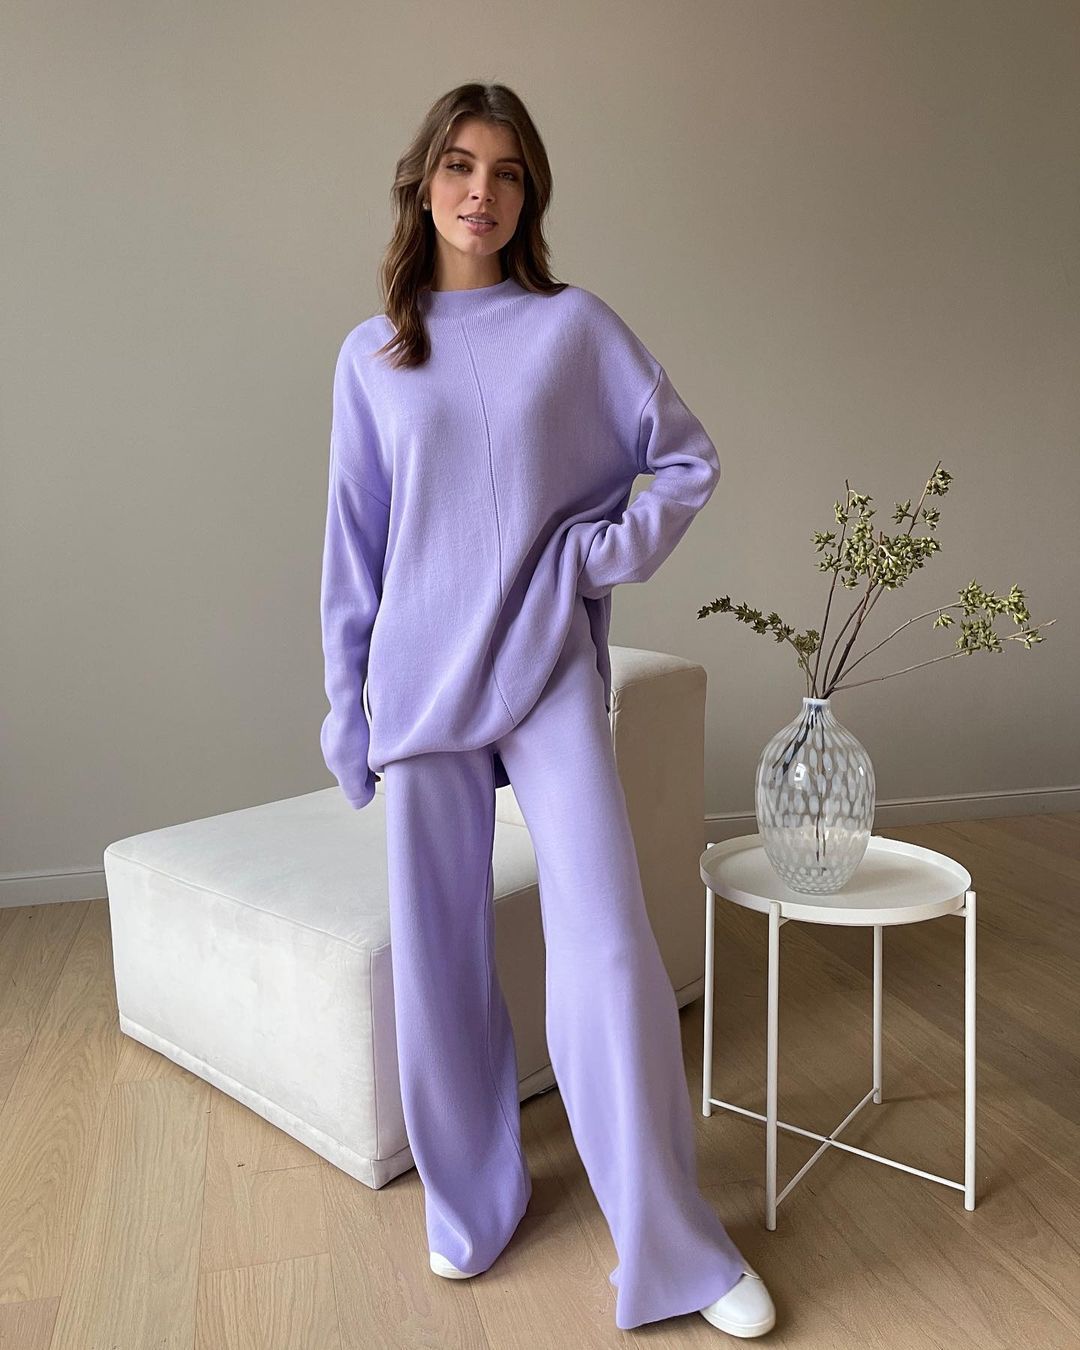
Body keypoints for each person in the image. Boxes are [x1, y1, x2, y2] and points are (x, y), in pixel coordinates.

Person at [319, 81, 776, 1338]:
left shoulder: (571, 328)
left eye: (508, 172)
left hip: (542, 662)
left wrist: (592, 555)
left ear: (530, 196)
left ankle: (674, 1247)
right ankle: (474, 1201)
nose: (482, 191)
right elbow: (355, 547)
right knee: (440, 956)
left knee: (611, 945)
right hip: (419, 681)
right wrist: (345, 706)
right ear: (423, 183)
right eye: (461, 166)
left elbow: (682, 458)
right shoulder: (373, 355)